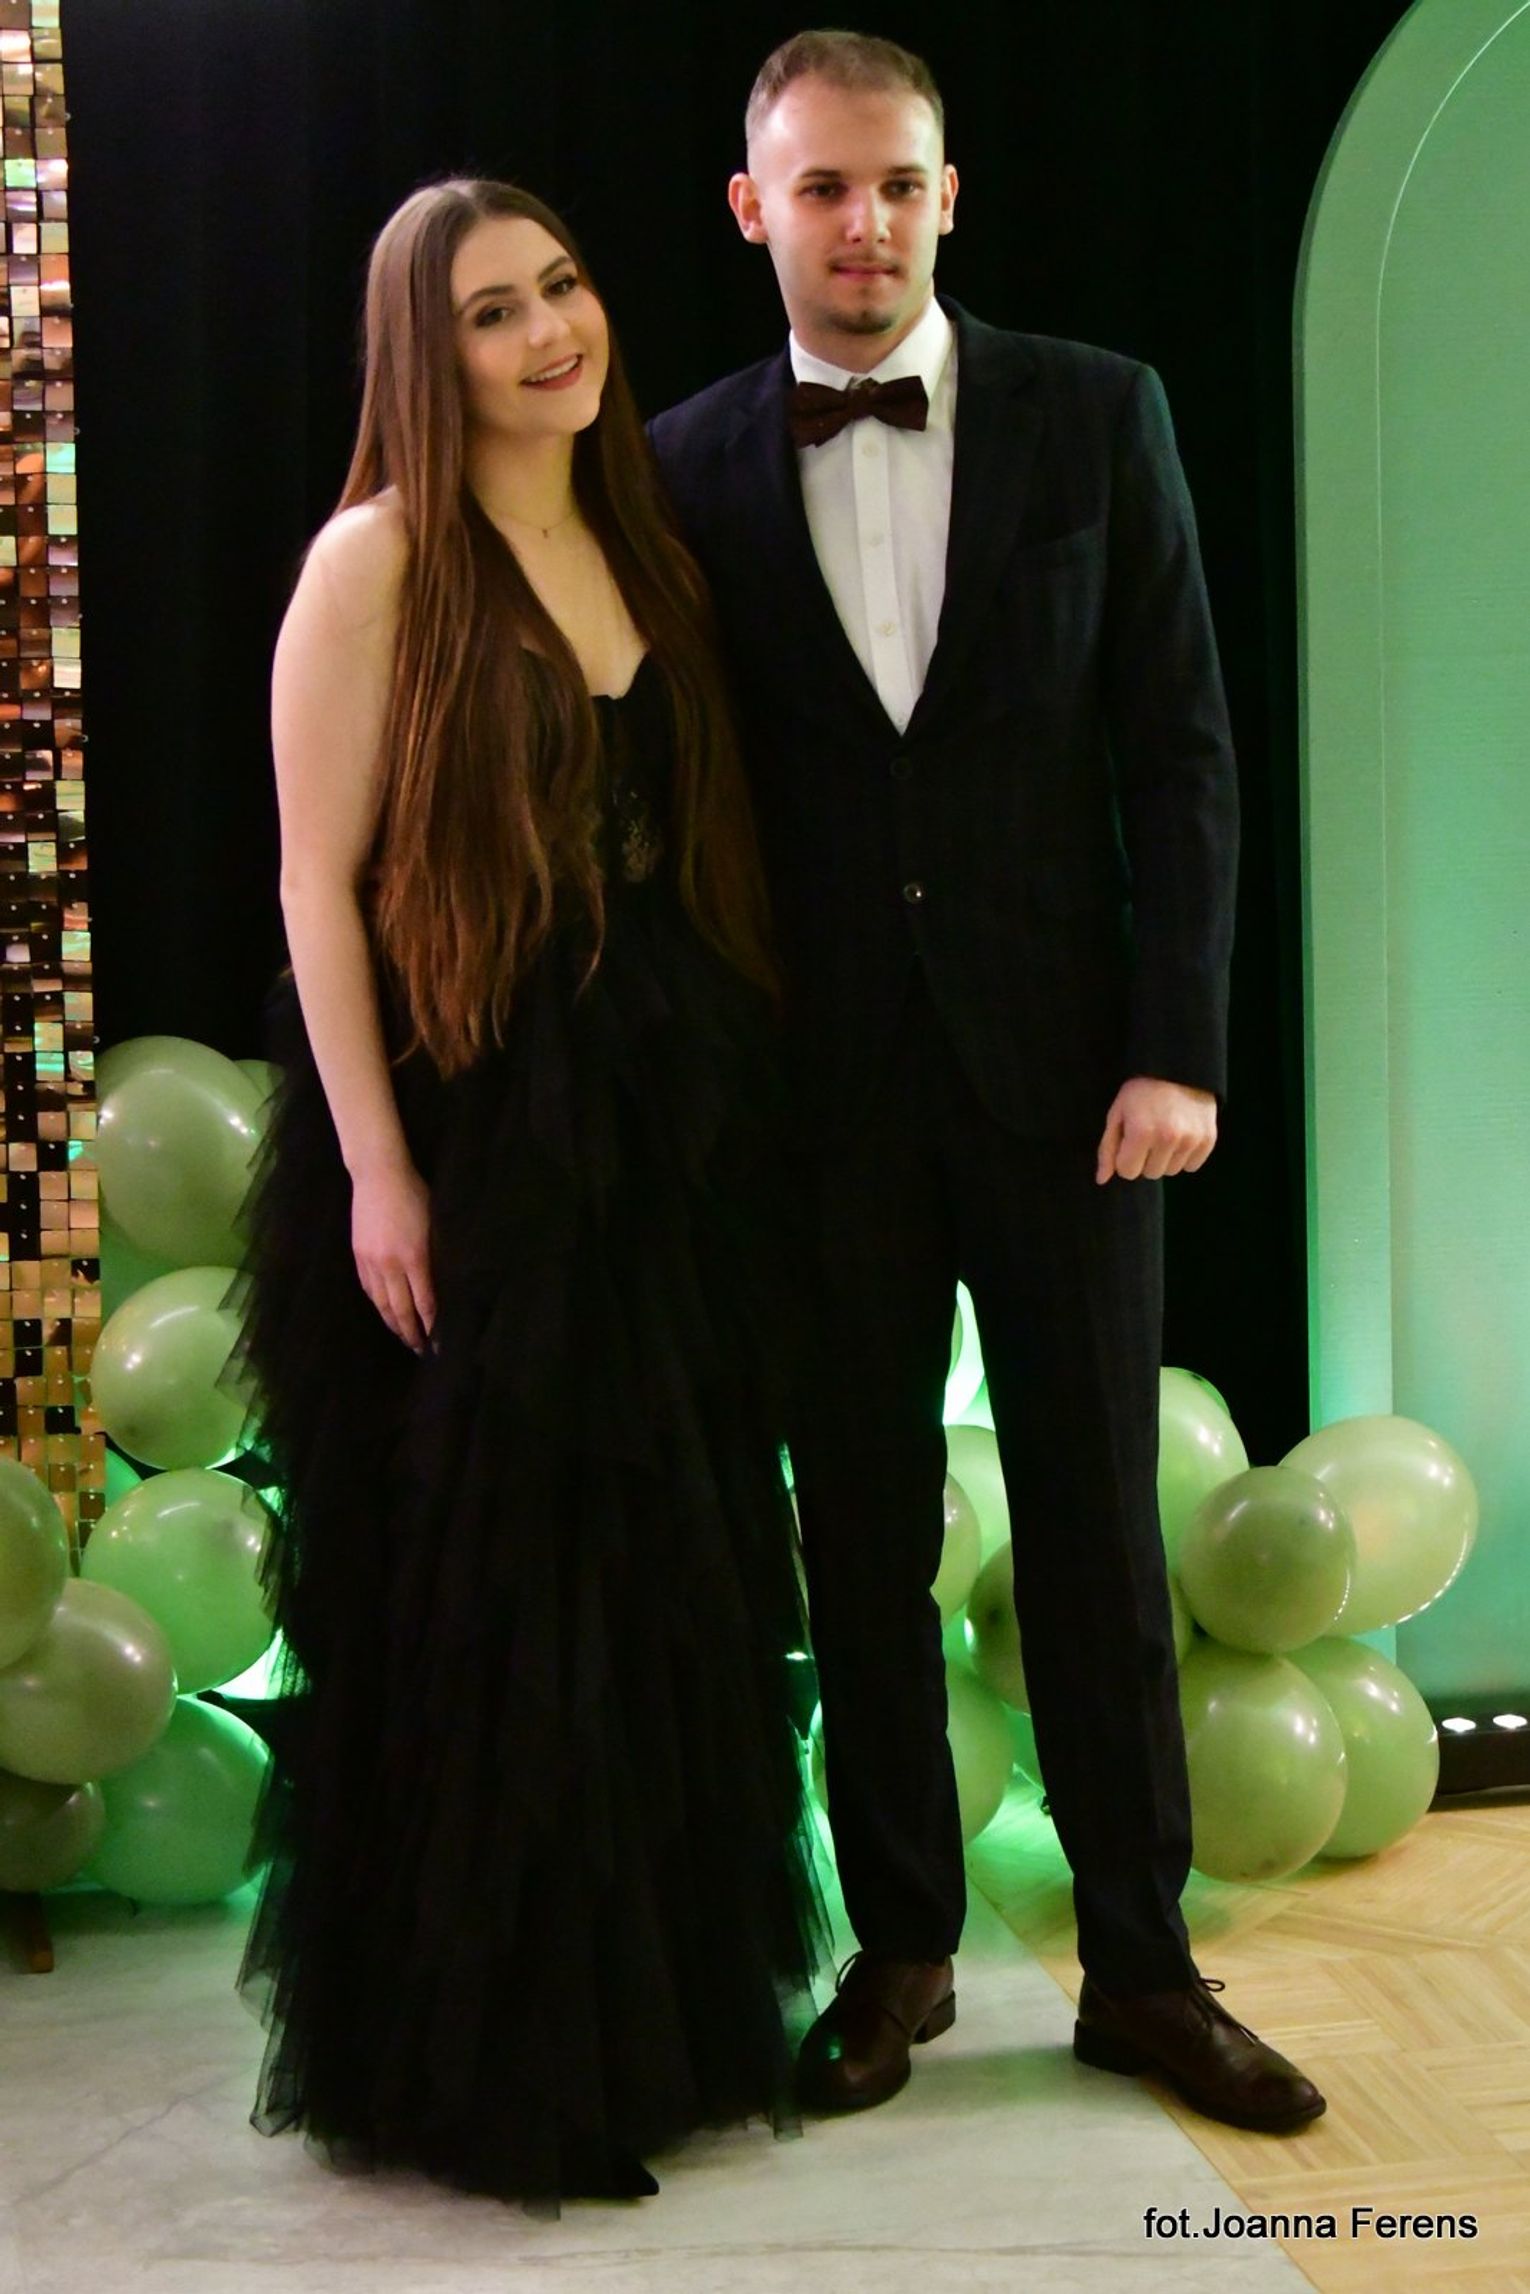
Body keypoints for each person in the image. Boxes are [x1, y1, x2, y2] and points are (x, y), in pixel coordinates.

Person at [650, 31, 1325, 2134]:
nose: (864, 224)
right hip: (816, 1110)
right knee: (855, 1542)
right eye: (821, 187)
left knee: (1103, 1540)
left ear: (950, 196)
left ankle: (1144, 1967)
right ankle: (903, 1948)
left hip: (1075, 1091)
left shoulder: (1101, 410)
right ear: (752, 209)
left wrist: (1179, 1044)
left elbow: (1183, 751)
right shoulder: (678, 465)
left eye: (897, 184)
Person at [235, 176, 825, 2209]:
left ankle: (654, 2030)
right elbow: (314, 880)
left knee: (661, 1577)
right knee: (498, 1604)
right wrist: (377, 1176)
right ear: (429, 350)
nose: (549, 332)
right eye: (492, 312)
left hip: (661, 1112)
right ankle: (505, 2070)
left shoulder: (641, 523)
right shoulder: (379, 557)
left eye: (560, 288)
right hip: (475, 1115)